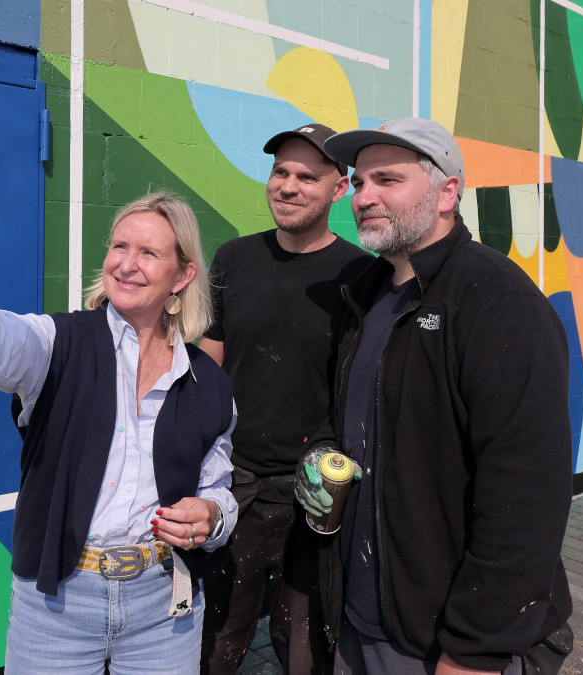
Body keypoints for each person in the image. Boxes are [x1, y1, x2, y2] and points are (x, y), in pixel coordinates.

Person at [0, 145, 238, 675]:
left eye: (149, 253)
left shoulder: (210, 383)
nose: (126, 264)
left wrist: (213, 516)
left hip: (166, 607)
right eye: (118, 246)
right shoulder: (56, 343)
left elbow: (218, 489)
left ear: (182, 277)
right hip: (59, 602)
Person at [295, 118, 574, 675]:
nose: (364, 197)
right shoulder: (368, 294)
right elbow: (354, 415)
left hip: (443, 643)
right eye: (359, 181)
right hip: (362, 618)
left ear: (448, 192)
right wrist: (323, 454)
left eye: (387, 180)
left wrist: (473, 651)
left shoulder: (497, 302)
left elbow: (526, 496)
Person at [200, 123, 372, 675]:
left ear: (338, 189)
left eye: (308, 176)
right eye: (281, 172)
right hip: (236, 484)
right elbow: (211, 353)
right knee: (217, 643)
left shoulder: (361, 274)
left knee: (304, 650)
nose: (289, 186)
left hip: (314, 493)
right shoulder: (234, 258)